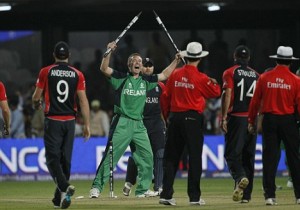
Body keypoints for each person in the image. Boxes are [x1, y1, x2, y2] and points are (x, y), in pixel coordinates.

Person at [89, 41, 181, 198]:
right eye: (134, 61)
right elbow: (103, 68)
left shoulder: (147, 81)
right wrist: (108, 51)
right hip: (122, 123)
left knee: (147, 157)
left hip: (139, 125)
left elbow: (165, 75)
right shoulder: (121, 78)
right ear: (129, 65)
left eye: (139, 61)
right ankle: (96, 187)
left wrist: (176, 60)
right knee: (111, 156)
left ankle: (142, 189)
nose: (138, 62)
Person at [159, 42, 221, 206]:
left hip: (175, 118)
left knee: (171, 157)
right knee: (194, 158)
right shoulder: (201, 78)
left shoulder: (175, 75)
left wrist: (166, 117)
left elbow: (165, 97)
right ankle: (194, 197)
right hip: (193, 119)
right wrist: (212, 81)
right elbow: (216, 92)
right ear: (200, 58)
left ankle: (166, 194)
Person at [32, 41, 90, 209]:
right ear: (69, 56)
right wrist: (86, 124)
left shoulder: (46, 71)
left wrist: (37, 104)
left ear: (54, 55)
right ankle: (59, 198)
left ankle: (64, 187)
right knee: (66, 160)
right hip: (70, 122)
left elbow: (36, 98)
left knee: (52, 159)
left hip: (54, 121)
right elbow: (83, 100)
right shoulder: (78, 74)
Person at [248, 46, 300, 205]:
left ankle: (269, 196)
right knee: (294, 158)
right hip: (288, 121)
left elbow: (255, 102)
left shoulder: (264, 77)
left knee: (269, 159)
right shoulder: (296, 80)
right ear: (290, 62)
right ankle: (299, 196)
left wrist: (251, 121)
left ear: (276, 59)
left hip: (269, 120)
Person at [220, 45, 259, 203]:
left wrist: (223, 117)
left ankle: (240, 177)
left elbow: (227, 92)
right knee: (248, 156)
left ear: (234, 57)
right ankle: (246, 196)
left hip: (236, 117)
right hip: (252, 118)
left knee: (232, 154)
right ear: (248, 58)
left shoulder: (230, 72)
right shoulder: (257, 75)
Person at [122, 58, 166, 196]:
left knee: (159, 154)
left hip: (156, 123)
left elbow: (163, 106)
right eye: (145, 66)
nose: (147, 68)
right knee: (138, 155)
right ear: (140, 68)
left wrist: (165, 122)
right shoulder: (134, 84)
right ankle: (129, 182)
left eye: (150, 66)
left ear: (153, 68)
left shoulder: (160, 86)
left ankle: (159, 186)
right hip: (139, 123)